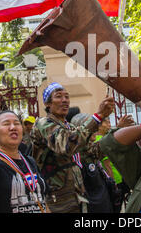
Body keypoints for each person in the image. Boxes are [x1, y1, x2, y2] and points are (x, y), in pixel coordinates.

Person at [30, 82, 115, 213]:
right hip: (55, 200)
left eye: (67, 97)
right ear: (47, 104)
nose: (64, 100)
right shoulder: (43, 124)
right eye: (58, 96)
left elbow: (92, 153)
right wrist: (97, 117)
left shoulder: (70, 128)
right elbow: (67, 145)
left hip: (77, 197)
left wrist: (117, 136)